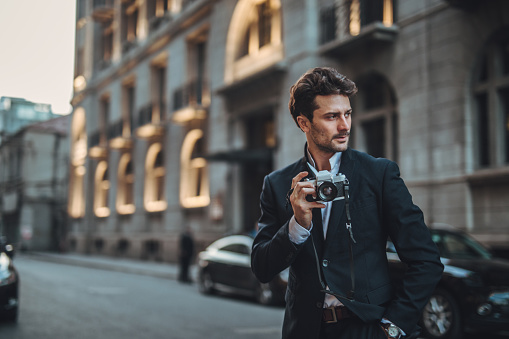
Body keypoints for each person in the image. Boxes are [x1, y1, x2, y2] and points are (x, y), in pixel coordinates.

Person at [251, 67, 444, 339]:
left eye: (348, 113)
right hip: (305, 331)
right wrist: (296, 226)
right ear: (304, 123)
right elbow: (261, 268)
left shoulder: (379, 174)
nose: (344, 126)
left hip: (368, 328)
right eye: (332, 116)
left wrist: (392, 327)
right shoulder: (277, 183)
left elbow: (426, 261)